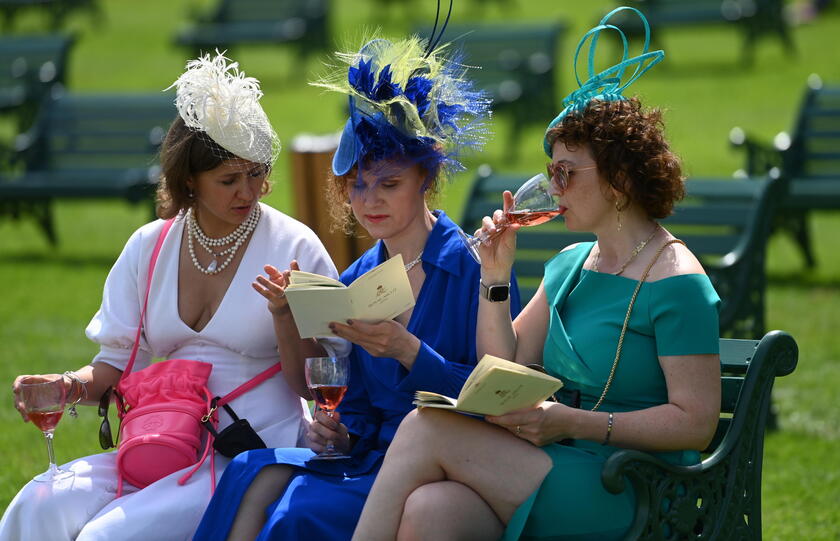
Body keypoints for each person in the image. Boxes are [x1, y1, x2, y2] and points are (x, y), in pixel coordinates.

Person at [353, 8, 723, 541]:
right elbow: (501, 369)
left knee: (422, 428)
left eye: (566, 174)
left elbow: (696, 422)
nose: (553, 188)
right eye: (551, 171)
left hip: (632, 485)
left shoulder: (677, 281)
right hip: (556, 461)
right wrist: (494, 276)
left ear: (619, 180)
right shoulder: (572, 265)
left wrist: (571, 422)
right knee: (431, 511)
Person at [1, 52, 347, 541]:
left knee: (107, 536)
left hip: (249, 450)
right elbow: (115, 364)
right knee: (39, 503)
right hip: (162, 438)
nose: (249, 191)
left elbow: (320, 385)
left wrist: (286, 318)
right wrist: (65, 387)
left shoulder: (293, 246)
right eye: (228, 179)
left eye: (256, 173)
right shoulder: (150, 246)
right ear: (189, 179)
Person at [192, 33, 521, 541]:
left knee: (297, 513)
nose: (370, 201)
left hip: (448, 466)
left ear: (425, 182)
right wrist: (337, 428)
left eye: (388, 184)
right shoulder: (356, 278)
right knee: (251, 475)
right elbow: (348, 402)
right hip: (369, 459)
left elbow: (501, 398)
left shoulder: (474, 266)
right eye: (357, 186)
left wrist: (411, 352)